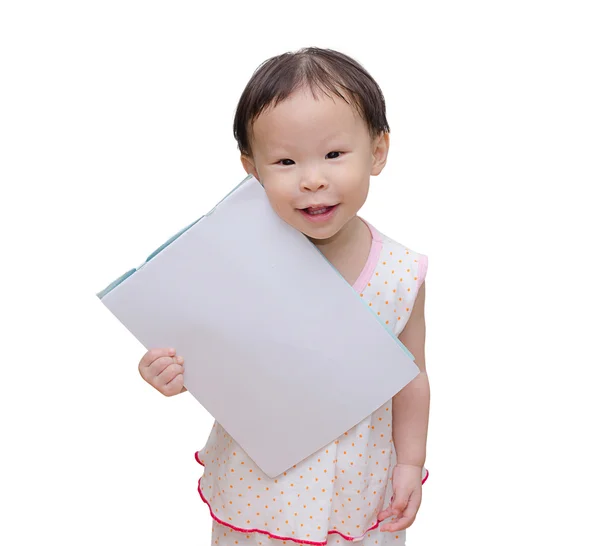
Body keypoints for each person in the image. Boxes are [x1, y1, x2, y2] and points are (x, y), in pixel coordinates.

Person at [138, 47, 430, 546]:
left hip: (359, 488)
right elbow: (208, 350)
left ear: (378, 151)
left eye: (334, 154)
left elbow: (412, 375)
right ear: (252, 169)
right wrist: (166, 369)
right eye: (285, 160)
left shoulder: (400, 273)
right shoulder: (237, 260)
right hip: (259, 487)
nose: (312, 177)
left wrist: (410, 462)